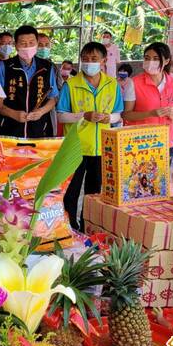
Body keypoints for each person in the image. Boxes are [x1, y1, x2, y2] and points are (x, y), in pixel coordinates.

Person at [57, 42, 123, 231]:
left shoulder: (112, 85)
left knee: (94, 192)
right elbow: (60, 115)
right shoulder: (71, 84)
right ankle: (69, 227)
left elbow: (119, 113)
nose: (89, 63)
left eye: (94, 59)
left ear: (103, 60)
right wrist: (83, 115)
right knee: (71, 191)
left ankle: (88, 227)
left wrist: (109, 117)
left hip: (102, 147)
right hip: (75, 148)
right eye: (85, 59)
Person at [0, 25, 59, 138]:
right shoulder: (3, 67)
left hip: (39, 130)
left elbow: (53, 98)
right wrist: (13, 114)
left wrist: (41, 111)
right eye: (23, 43)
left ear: (37, 44)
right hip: (9, 131)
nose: (27, 46)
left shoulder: (47, 67)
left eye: (31, 42)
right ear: (16, 45)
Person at [122, 42, 173, 149]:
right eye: (147, 58)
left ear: (166, 61)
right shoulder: (133, 83)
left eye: (156, 58)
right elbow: (126, 115)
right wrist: (150, 113)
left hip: (165, 141)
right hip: (139, 142)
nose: (150, 62)